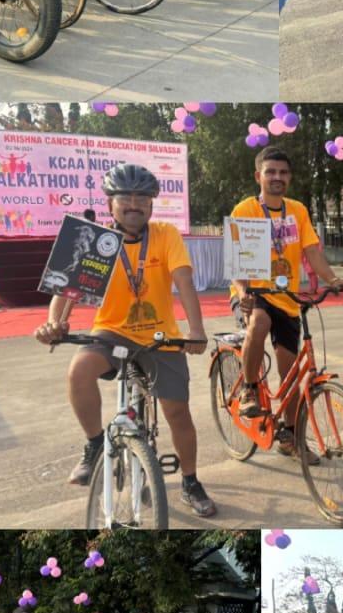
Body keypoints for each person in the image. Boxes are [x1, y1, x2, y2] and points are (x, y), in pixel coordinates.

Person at [34, 162, 216, 518]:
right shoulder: (94, 239)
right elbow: (66, 291)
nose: (134, 204)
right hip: (112, 332)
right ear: (110, 203)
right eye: (125, 197)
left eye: (142, 197)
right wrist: (54, 324)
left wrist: (196, 331)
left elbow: (184, 282)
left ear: (151, 203)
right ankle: (92, 446)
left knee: (177, 411)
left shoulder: (165, 235)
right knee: (79, 372)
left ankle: (191, 481)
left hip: (161, 335)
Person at [228, 146, 343, 455]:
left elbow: (312, 251)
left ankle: (291, 436)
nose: (277, 178)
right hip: (253, 293)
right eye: (271, 172)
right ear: (258, 176)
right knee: (259, 321)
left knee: (291, 373)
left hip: (286, 298)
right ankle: (249, 389)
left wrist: (333, 280)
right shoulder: (245, 210)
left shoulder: (297, 210)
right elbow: (236, 260)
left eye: (283, 173)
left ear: (290, 178)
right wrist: (243, 292)